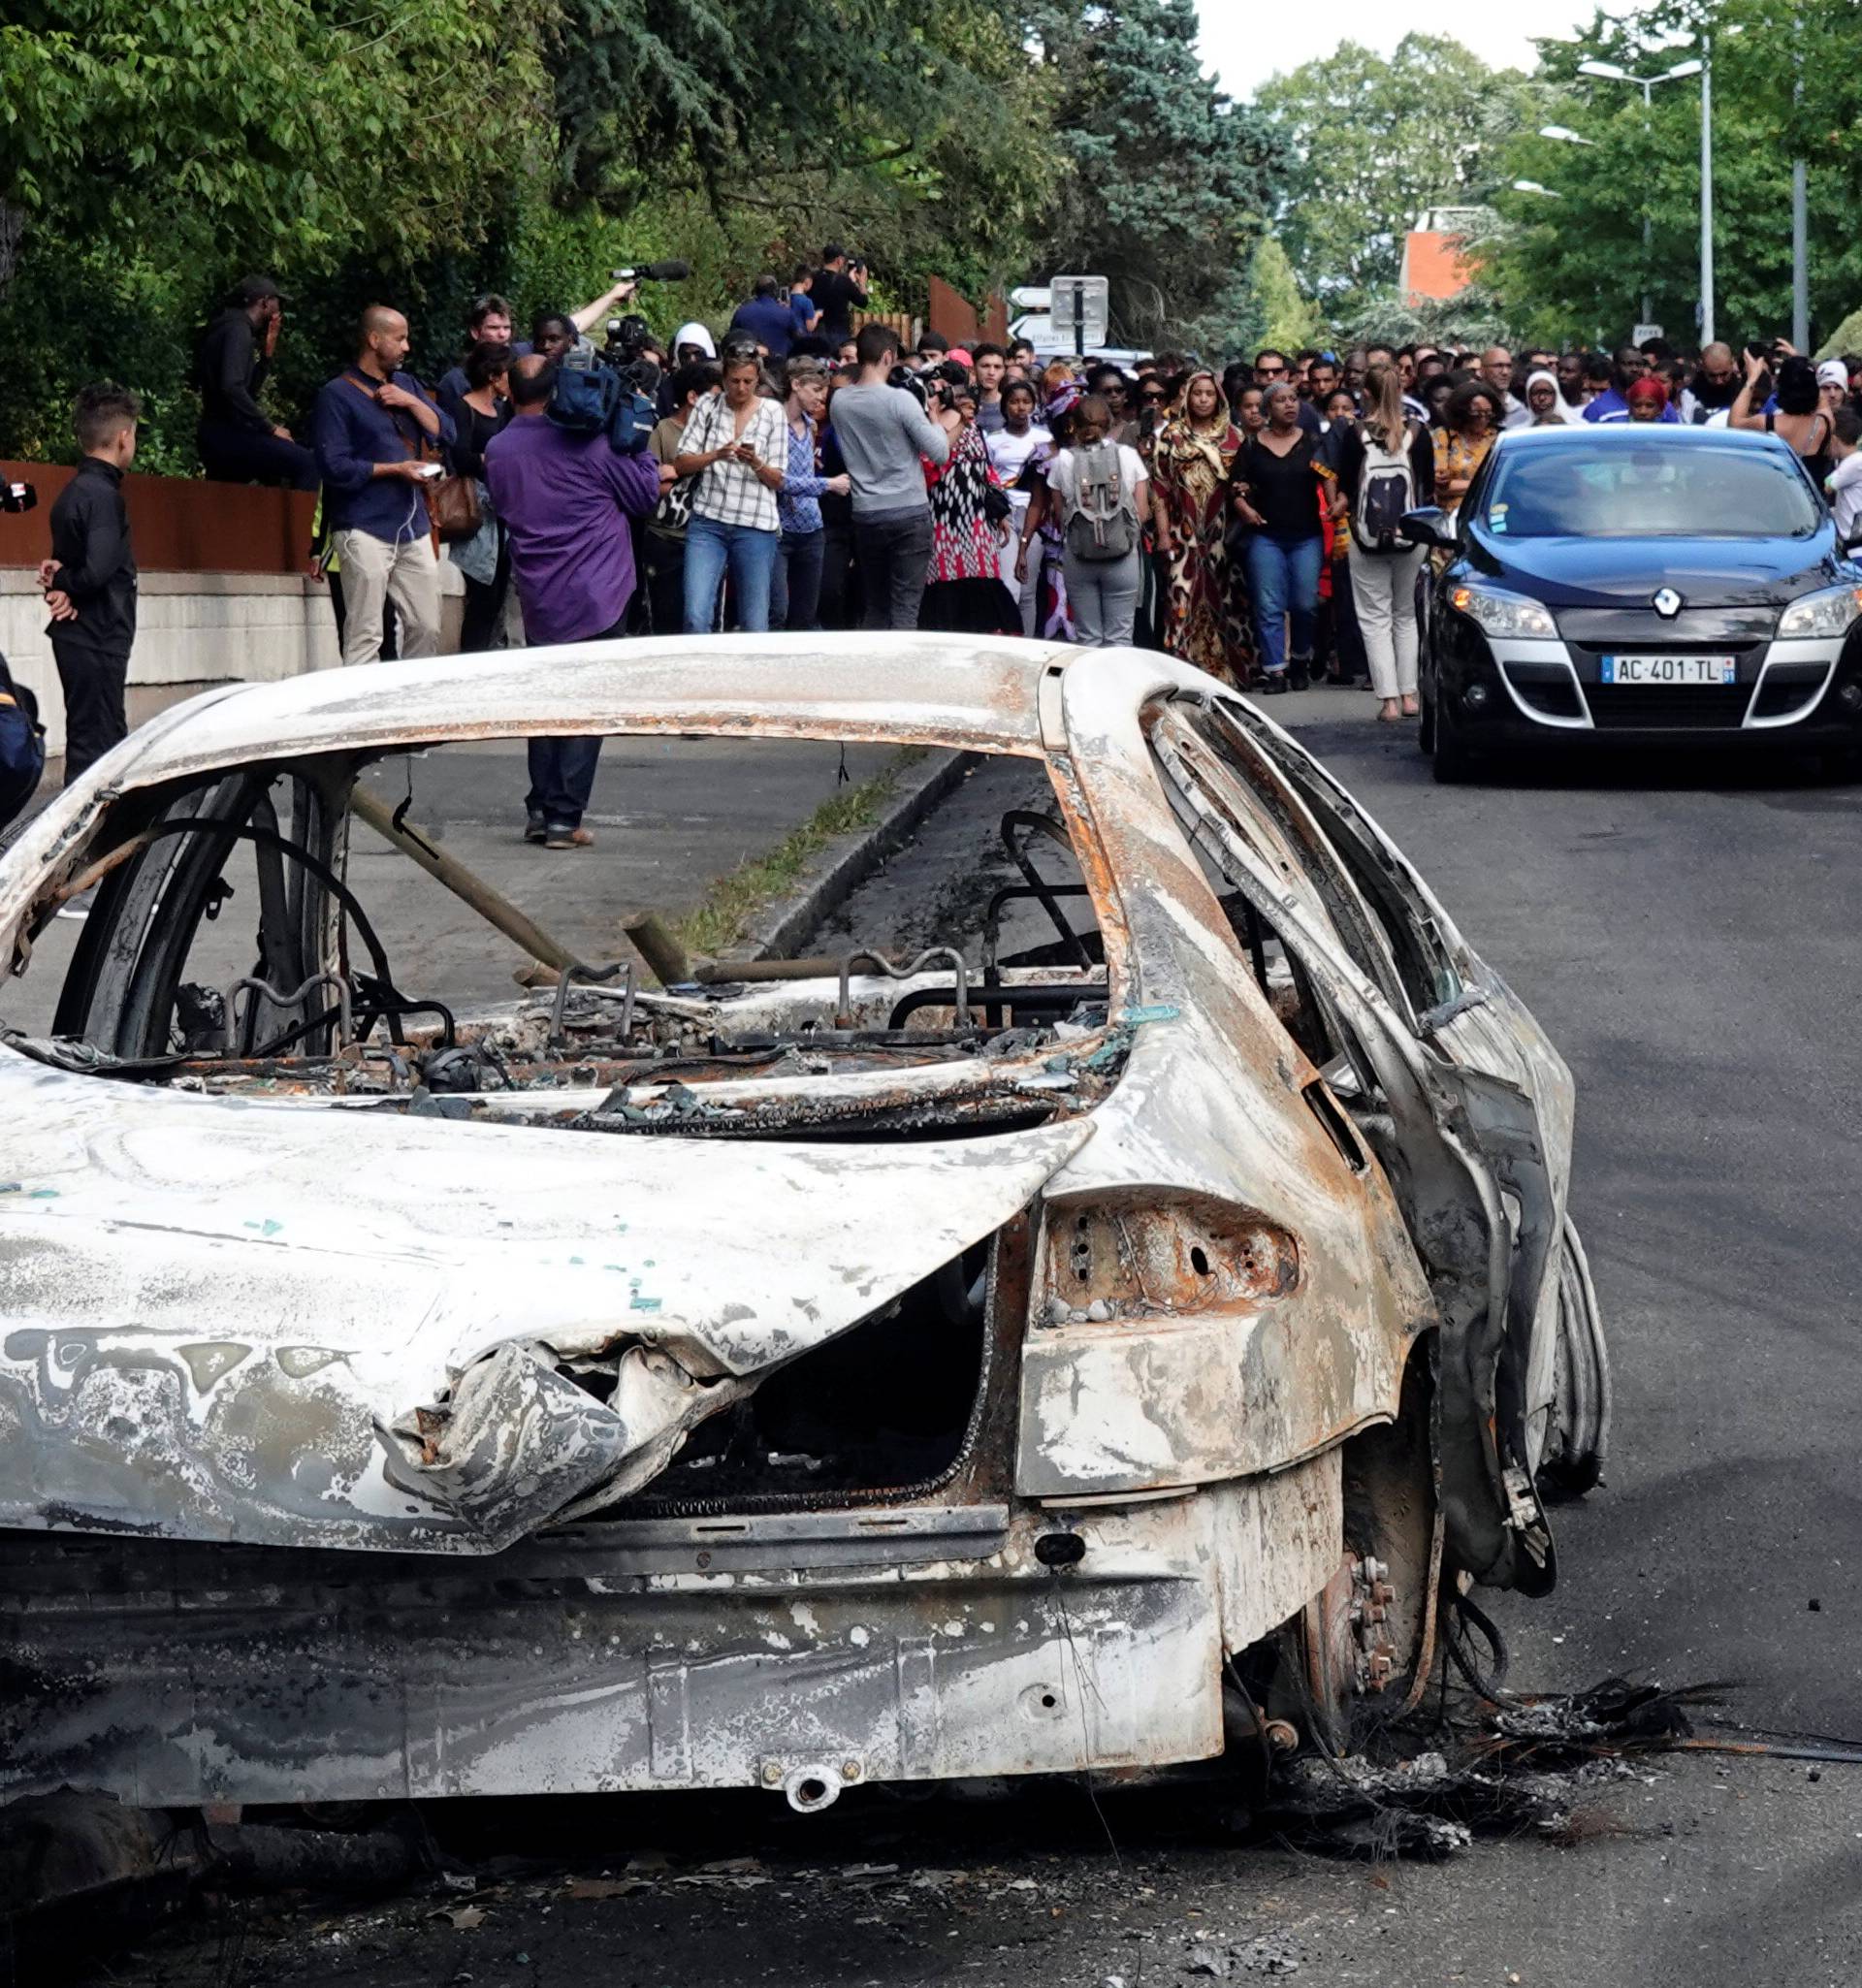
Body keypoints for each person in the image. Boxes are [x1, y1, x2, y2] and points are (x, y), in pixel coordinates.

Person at [483, 354, 667, 849]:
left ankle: (541, 810)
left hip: (538, 592)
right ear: (559, 388)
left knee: (546, 702)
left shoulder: (497, 450)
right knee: (588, 704)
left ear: (510, 389)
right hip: (599, 591)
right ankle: (565, 817)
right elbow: (645, 496)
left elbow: (501, 508)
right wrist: (639, 442)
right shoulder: (591, 443)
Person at [310, 305, 454, 665]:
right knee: (366, 633)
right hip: (363, 527)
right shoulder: (335, 395)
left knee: (427, 626)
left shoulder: (407, 385)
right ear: (374, 340)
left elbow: (447, 433)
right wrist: (396, 469)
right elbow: (335, 467)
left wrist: (410, 401)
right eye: (400, 338)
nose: (407, 347)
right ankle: (362, 715)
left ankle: (413, 705)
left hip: (414, 525)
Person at [38, 384, 140, 813]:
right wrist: (65, 579)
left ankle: (97, 848)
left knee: (100, 743)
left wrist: (62, 582)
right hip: (97, 637)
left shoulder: (75, 492)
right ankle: (75, 848)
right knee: (95, 751)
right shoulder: (102, 497)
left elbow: (75, 569)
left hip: (84, 635)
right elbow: (97, 570)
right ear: (123, 438)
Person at [1324, 361, 1434, 722]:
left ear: (1365, 393)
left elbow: (1345, 487)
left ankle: (1387, 700)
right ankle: (1410, 695)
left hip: (1365, 536)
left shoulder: (1353, 433)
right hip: (1411, 536)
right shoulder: (1419, 432)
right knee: (1406, 614)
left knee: (1374, 618)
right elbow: (1428, 488)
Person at [827, 324, 952, 630]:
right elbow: (939, 452)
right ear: (887, 356)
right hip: (908, 510)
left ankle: (873, 670)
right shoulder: (900, 401)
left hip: (867, 513)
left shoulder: (840, 402)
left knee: (876, 606)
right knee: (906, 609)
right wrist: (933, 416)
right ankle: (902, 674)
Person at [674, 347, 788, 632]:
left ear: (757, 380)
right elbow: (681, 462)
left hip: (755, 525)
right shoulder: (707, 405)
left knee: (754, 622)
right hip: (708, 522)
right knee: (695, 614)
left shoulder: (773, 412)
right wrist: (715, 454)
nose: (741, 388)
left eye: (748, 381)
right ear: (724, 379)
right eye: (735, 380)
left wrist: (756, 463)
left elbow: (779, 480)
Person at [1148, 369, 1250, 683]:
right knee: (1182, 594)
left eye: (1209, 393)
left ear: (1218, 397)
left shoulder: (1235, 436)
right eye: (1197, 393)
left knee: (1228, 597)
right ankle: (1182, 671)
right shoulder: (1172, 435)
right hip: (1183, 533)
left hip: (1224, 535)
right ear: (1187, 396)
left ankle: (1229, 671)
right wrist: (1164, 534)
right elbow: (1160, 488)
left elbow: (1245, 484)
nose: (1203, 399)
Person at [1232, 381, 1330, 693]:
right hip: (1266, 537)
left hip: (1306, 536)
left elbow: (1329, 476)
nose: (1290, 405)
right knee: (1269, 605)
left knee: (1304, 604)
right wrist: (1244, 508)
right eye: (1281, 401)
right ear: (1267, 409)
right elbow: (1235, 486)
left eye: (1293, 399)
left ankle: (1300, 659)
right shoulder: (1250, 446)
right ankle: (1276, 671)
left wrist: (1335, 504)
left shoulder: (1313, 442)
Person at [1043, 393, 1148, 647]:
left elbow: (1060, 515)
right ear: (1110, 422)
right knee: (1121, 636)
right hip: (1122, 555)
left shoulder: (1063, 461)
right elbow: (1142, 512)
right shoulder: (1128, 455)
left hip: (1079, 556)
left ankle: (1090, 687)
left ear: (1074, 424)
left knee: (1087, 637)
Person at [920, 367, 1018, 634]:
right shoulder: (924, 425)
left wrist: (1000, 514)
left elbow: (987, 469)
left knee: (982, 591)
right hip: (941, 520)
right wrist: (935, 417)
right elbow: (929, 465)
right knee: (945, 590)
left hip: (978, 523)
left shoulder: (972, 425)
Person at [193, 275, 315, 489]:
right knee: (307, 464)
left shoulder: (229, 327)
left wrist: (266, 356)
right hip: (227, 434)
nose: (279, 309)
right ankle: (296, 523)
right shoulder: (238, 330)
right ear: (265, 302)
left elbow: (245, 392)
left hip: (219, 433)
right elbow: (231, 387)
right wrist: (269, 427)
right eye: (278, 302)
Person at [447, 340, 515, 652]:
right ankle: (470, 657)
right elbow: (459, 457)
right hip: (477, 508)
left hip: (502, 511)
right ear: (493, 375)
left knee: (499, 594)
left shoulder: (503, 410)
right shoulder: (463, 407)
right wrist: (490, 460)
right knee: (480, 595)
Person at [771, 358, 848, 630]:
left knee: (805, 615)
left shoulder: (811, 425)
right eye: (815, 390)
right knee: (777, 611)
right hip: (780, 529)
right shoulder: (773, 423)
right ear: (795, 385)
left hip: (812, 529)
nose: (820, 399)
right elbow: (778, 478)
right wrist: (827, 484)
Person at [642, 359, 717, 635]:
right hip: (665, 537)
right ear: (693, 397)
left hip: (708, 537)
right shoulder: (663, 430)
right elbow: (651, 484)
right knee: (665, 619)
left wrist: (674, 470)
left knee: (701, 618)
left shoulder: (721, 435)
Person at [985, 378, 1051, 635]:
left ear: (1034, 406)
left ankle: (1029, 644)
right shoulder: (992, 440)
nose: (1020, 407)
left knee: (1028, 587)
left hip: (1035, 514)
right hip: (1004, 514)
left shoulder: (1045, 438)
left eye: (1026, 402)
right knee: (1009, 583)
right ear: (1004, 407)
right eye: (1013, 402)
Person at [1731, 350, 1833, 480]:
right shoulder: (1825, 424)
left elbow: (1734, 422)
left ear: (1780, 387)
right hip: (1808, 498)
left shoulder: (1764, 423)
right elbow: (1822, 399)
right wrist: (1803, 371)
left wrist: (1752, 378)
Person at [1433, 379, 1502, 516]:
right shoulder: (1445, 436)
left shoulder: (1499, 437)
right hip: (1453, 515)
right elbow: (1441, 486)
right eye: (1476, 414)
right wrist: (1485, 485)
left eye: (1488, 413)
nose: (1483, 419)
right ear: (1462, 412)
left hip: (1491, 512)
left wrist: (1459, 485)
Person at [728, 275, 802, 361]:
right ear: (775, 292)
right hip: (779, 366)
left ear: (756, 291)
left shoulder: (741, 312)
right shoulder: (786, 313)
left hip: (749, 364)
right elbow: (798, 339)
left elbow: (731, 338)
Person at [809, 244, 870, 347]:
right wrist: (862, 282)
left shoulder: (812, 278)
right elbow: (863, 302)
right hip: (838, 333)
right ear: (839, 260)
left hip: (816, 330)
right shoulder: (844, 281)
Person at [1825, 405, 1862, 548]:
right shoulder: (1853, 461)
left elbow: (1828, 486)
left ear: (1834, 439)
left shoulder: (1854, 462)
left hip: (1853, 542)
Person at [1680, 341, 1741, 424]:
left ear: (1732, 363)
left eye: (1724, 374)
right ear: (1702, 367)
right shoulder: (1689, 395)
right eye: (1712, 375)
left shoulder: (1744, 391)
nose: (1718, 381)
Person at [972, 343, 1009, 433]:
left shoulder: (1010, 405)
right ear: (973, 369)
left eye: (997, 367)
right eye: (985, 366)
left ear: (1004, 371)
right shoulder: (963, 404)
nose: (991, 372)